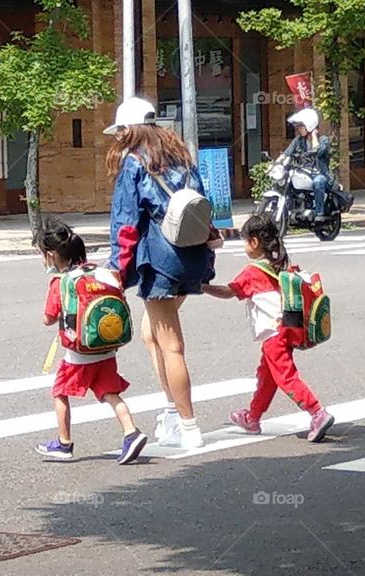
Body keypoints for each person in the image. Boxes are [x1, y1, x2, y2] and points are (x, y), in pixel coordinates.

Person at [105, 97, 217, 450]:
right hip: (193, 258)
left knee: (172, 346)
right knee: (149, 334)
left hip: (160, 264)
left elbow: (125, 224)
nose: (118, 138)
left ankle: (187, 425)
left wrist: (116, 272)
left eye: (120, 131)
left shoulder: (134, 163)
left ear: (129, 130)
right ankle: (171, 413)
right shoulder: (182, 160)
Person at [201, 214, 335, 442]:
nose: (244, 246)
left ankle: (317, 412)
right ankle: (252, 417)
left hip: (274, 334)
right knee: (267, 376)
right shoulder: (277, 265)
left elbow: (229, 292)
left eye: (245, 241)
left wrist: (202, 286)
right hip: (285, 329)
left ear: (254, 242)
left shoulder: (252, 272)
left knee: (285, 376)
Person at [34, 218, 148, 464]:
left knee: (60, 392)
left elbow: (48, 318)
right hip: (106, 348)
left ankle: (64, 444)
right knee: (109, 392)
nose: (43, 260)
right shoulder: (103, 272)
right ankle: (131, 432)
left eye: (43, 255)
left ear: (52, 256)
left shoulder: (61, 283)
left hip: (79, 354)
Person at [283, 108, 333, 221]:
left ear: (310, 125)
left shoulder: (323, 140)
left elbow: (318, 151)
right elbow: (287, 153)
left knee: (318, 181)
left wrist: (314, 135)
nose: (298, 129)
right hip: (303, 174)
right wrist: (277, 163)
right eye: (297, 127)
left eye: (300, 126)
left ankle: (319, 213)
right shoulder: (298, 141)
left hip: (319, 174)